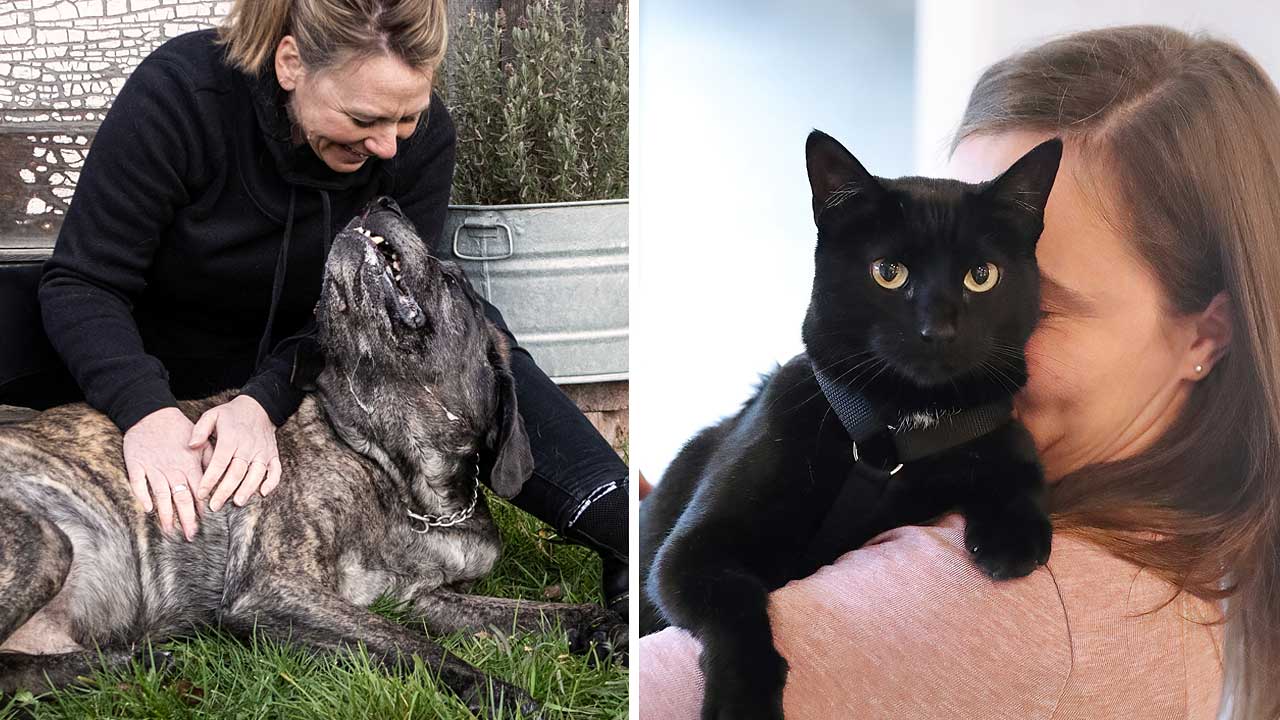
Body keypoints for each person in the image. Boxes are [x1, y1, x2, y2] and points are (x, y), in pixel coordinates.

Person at [638, 25, 1280, 720]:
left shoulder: (1027, 607)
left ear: (1208, 333)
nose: (946, 349)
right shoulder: (1185, 562)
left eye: (1035, 302)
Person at [10, 0, 625, 611]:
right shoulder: (180, 93)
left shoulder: (417, 141)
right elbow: (83, 283)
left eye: (407, 119)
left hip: (312, 360)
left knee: (473, 335)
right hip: (151, 343)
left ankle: (628, 532)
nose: (388, 146)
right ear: (289, 64)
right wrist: (145, 410)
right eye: (364, 117)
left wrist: (263, 399)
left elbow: (400, 311)